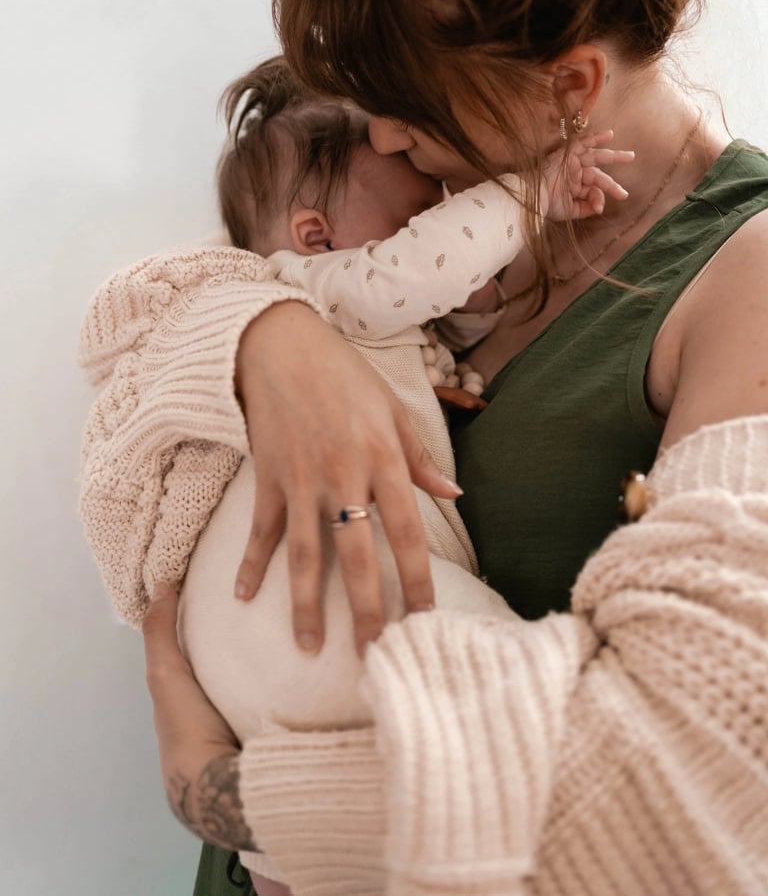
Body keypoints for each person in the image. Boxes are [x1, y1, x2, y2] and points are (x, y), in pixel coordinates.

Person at [79, 0, 768, 892]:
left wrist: (219, 782)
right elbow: (134, 322)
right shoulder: (457, 185)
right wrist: (271, 341)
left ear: (570, 85)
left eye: (406, 113)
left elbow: (694, 772)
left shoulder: (745, 275)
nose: (380, 141)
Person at [80, 52, 631, 889]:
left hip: (258, 659)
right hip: (305, 597)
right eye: (419, 213)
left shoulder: (362, 315)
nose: (440, 214)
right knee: (502, 674)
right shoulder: (320, 287)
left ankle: (281, 862)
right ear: (314, 235)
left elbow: (449, 313)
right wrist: (534, 195)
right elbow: (414, 275)